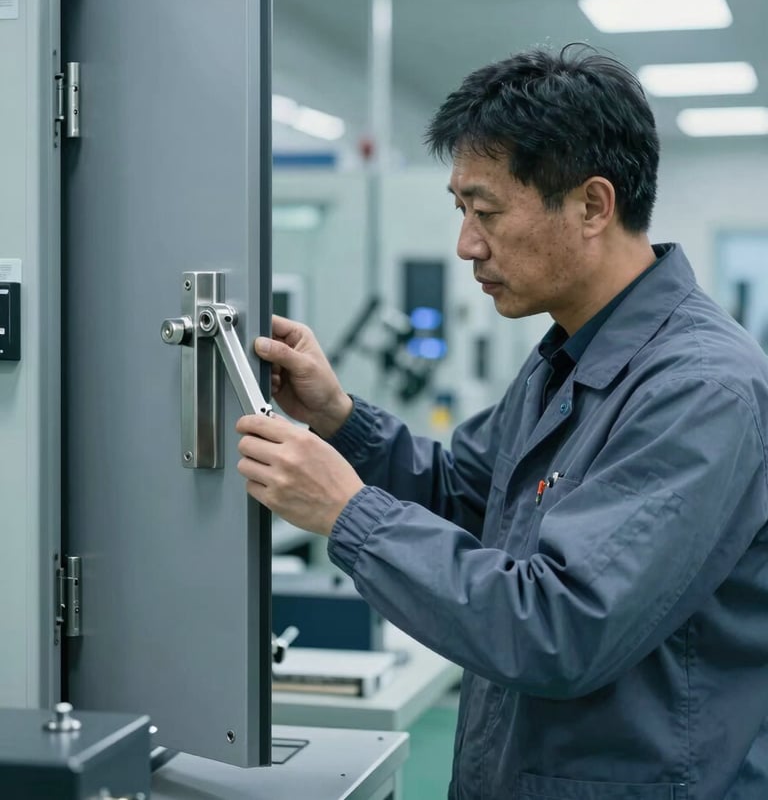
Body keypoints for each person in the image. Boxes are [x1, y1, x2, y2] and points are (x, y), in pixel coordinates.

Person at [236, 45, 768, 799]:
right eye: (462, 212)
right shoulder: (568, 357)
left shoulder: (700, 391)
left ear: (592, 205)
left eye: (486, 212)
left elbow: (561, 626)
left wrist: (348, 512)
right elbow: (467, 495)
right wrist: (341, 420)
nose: (467, 245)